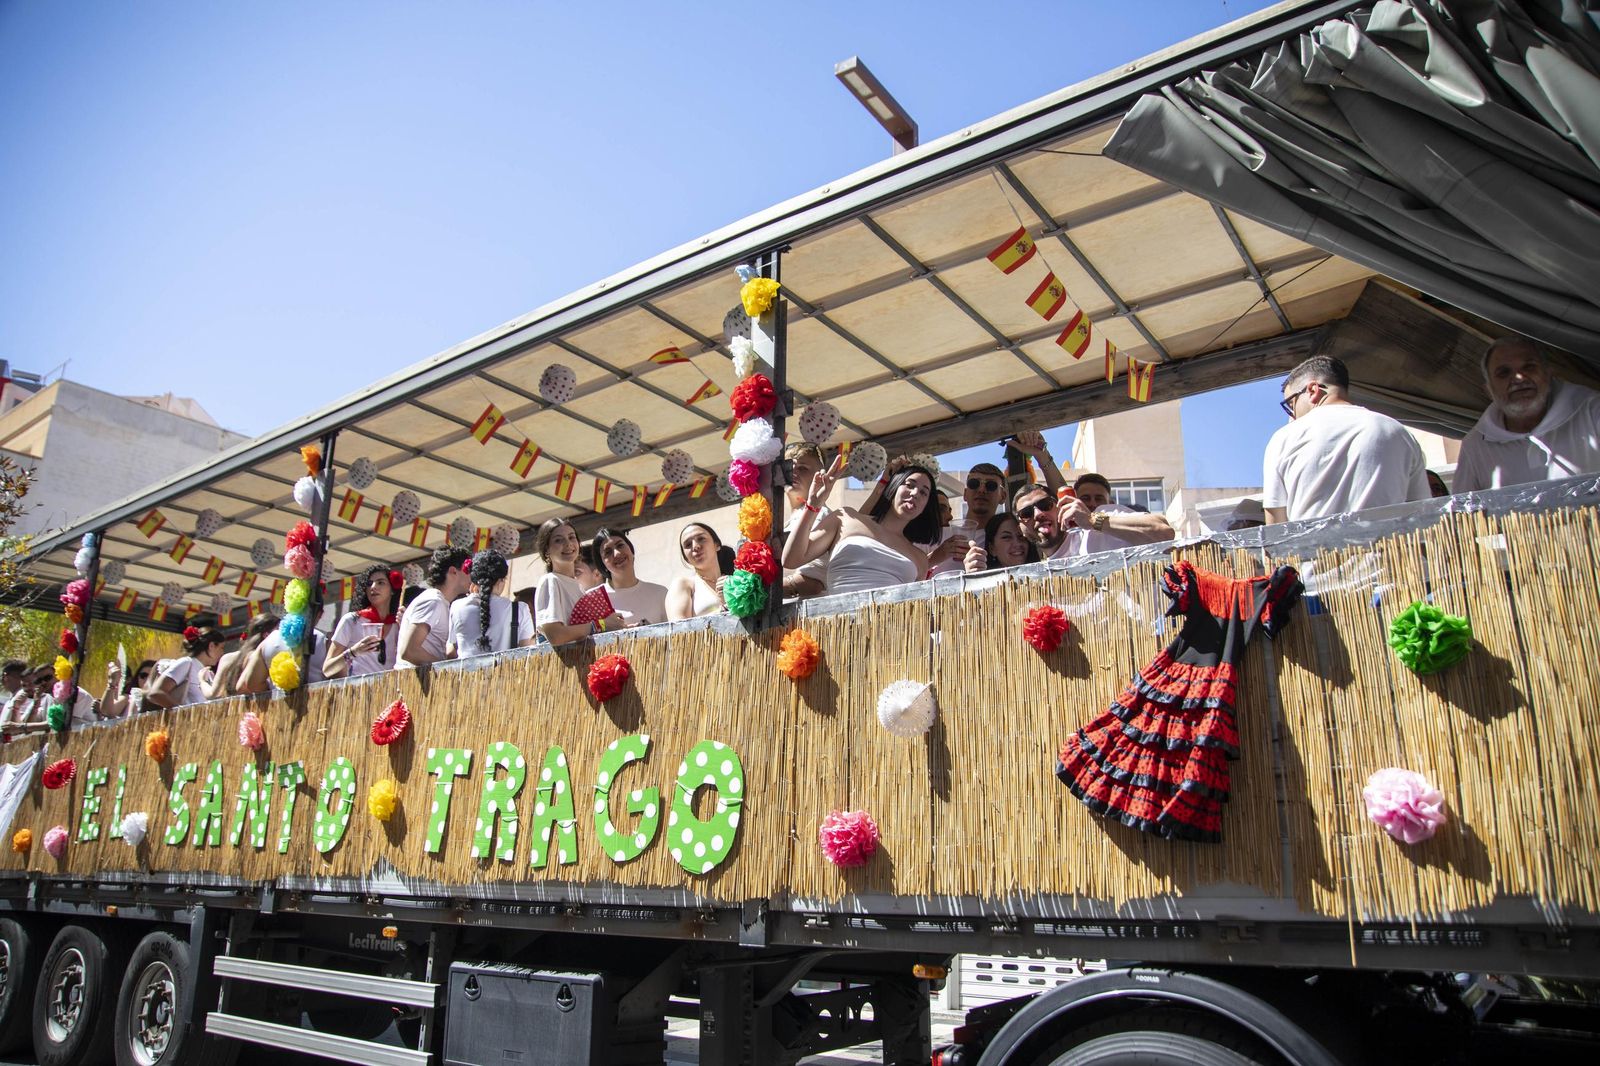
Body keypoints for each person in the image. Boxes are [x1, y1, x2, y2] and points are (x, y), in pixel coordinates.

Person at [1263, 355, 1428, 523]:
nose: (1292, 415)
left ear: (1313, 390)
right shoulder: (1398, 431)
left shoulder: (1285, 437)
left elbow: (1275, 529)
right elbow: (1424, 513)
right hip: (1388, 548)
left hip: (1314, 549)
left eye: (1291, 405)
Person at [1454, 336, 1600, 492]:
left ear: (1548, 374)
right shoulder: (1475, 445)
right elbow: (1461, 512)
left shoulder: (1592, 412)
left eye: (1529, 367)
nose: (1518, 378)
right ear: (1489, 390)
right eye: (1504, 373)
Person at [785, 455, 939, 595]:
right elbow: (791, 560)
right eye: (909, 485)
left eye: (923, 493)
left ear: (926, 505)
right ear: (893, 487)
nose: (914, 494)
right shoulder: (845, 518)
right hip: (838, 623)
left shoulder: (920, 559)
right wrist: (813, 505)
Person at [533, 519, 623, 644]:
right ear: (547, 549)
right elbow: (555, 635)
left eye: (571, 537)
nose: (568, 544)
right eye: (558, 540)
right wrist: (600, 624)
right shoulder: (550, 581)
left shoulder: (578, 587)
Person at [1055, 473, 1174, 555]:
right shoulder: (1069, 534)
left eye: (1099, 498)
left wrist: (1093, 520)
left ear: (1111, 503)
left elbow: (1164, 531)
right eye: (1085, 498)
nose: (1092, 503)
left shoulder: (1112, 513)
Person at [448, 549, 536, 657]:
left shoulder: (457, 607)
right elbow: (527, 651)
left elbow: (451, 651)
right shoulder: (519, 609)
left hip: (466, 673)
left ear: (474, 579)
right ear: (501, 581)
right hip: (505, 672)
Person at [398, 547, 473, 669]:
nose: (472, 576)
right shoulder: (433, 601)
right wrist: (449, 667)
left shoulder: (440, 602)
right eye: (468, 570)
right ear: (453, 571)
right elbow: (409, 651)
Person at [324, 565, 402, 678]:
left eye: (380, 582)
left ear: (392, 591)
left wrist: (404, 625)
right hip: (359, 691)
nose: (373, 587)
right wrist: (353, 652)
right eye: (369, 584)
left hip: (390, 692)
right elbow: (327, 669)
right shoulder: (352, 620)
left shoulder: (398, 623)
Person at [780, 442, 830, 598]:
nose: (793, 473)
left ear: (821, 477)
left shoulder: (821, 515)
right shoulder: (788, 520)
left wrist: (755, 592)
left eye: (802, 468)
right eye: (789, 468)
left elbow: (812, 583)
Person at [593, 529, 669, 626]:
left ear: (631, 550)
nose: (617, 553)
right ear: (602, 564)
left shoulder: (660, 593)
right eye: (608, 552)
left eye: (620, 545)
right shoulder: (593, 599)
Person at [146, 627, 227, 709]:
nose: (222, 653)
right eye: (222, 648)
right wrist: (182, 712)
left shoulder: (209, 673)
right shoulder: (186, 663)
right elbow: (156, 692)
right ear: (211, 646)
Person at [240, 625, 328, 695]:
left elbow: (252, 684)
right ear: (319, 614)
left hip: (281, 706)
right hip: (319, 702)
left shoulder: (268, 641)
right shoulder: (322, 638)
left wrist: (273, 691)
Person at [666, 522, 729, 621]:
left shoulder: (735, 581)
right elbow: (678, 631)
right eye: (688, 544)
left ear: (716, 545)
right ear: (686, 558)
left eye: (701, 539)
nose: (695, 546)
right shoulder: (684, 585)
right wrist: (722, 612)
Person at [212, 616, 277, 697]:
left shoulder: (239, 655)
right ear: (266, 635)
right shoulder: (254, 655)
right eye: (277, 630)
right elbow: (242, 687)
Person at [963, 512, 1039, 573]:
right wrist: (973, 577)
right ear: (992, 548)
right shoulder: (986, 584)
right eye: (1006, 537)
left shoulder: (1044, 573)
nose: (1017, 543)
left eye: (1021, 536)